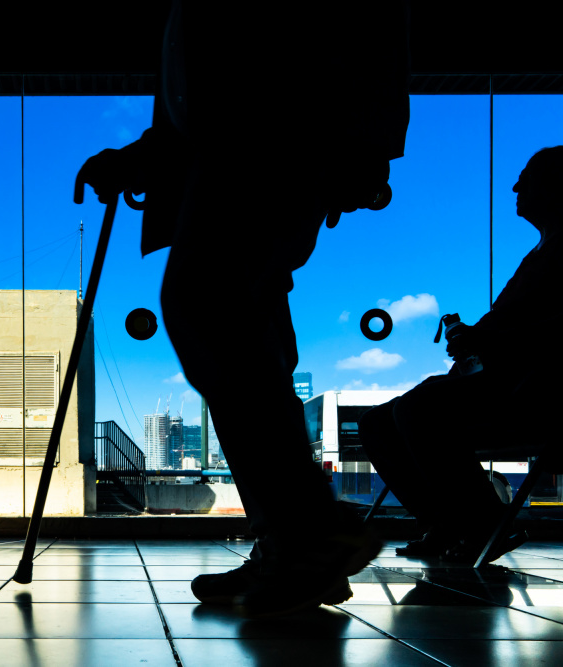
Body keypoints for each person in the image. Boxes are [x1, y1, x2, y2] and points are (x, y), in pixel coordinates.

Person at [76, 1, 411, 617]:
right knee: (250, 341)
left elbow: (260, 66)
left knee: (203, 306)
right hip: (260, 147)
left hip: (262, 144)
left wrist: (361, 148)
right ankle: (298, 546)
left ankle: (309, 534)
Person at [359, 145, 563, 562]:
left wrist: (486, 341)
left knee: (419, 408)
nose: (516, 186)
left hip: (543, 391)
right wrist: (478, 338)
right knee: (377, 422)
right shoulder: (551, 249)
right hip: (516, 386)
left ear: (558, 184)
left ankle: (481, 525)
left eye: (527, 176)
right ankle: (450, 524)